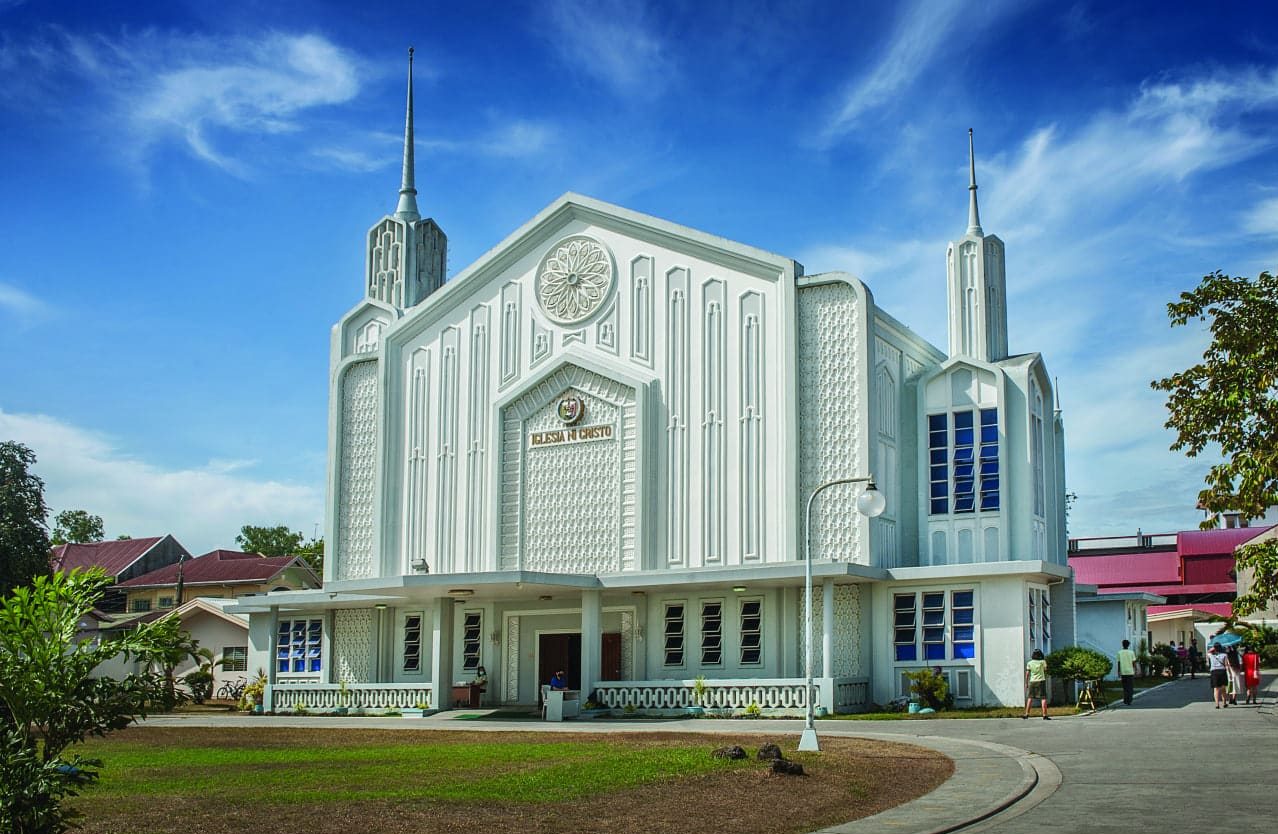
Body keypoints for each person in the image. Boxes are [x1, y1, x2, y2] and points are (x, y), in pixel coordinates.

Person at [1023, 649, 1050, 720]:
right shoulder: (1043, 662)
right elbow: (1045, 670)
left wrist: (1026, 683)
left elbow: (1027, 674)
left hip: (1032, 681)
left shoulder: (1029, 663)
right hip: (1041, 681)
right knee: (1043, 698)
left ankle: (1026, 714)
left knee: (1030, 698)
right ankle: (1044, 715)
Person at [1207, 644, 1231, 708]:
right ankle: (1224, 703)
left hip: (1214, 672)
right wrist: (1230, 673)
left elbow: (1208, 652)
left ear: (1214, 648)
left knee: (1216, 689)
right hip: (1222, 671)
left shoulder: (1211, 655)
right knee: (1223, 688)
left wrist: (1213, 648)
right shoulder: (1225, 655)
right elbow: (1226, 665)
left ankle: (1217, 704)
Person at [1116, 639, 1137, 705]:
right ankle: (1129, 700)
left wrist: (1119, 671)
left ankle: (1125, 700)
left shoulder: (1119, 652)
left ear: (1122, 645)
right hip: (1130, 672)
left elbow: (1119, 663)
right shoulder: (1131, 652)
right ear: (1128, 645)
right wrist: (1135, 669)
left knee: (1125, 687)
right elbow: (1133, 662)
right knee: (1130, 687)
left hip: (1123, 672)